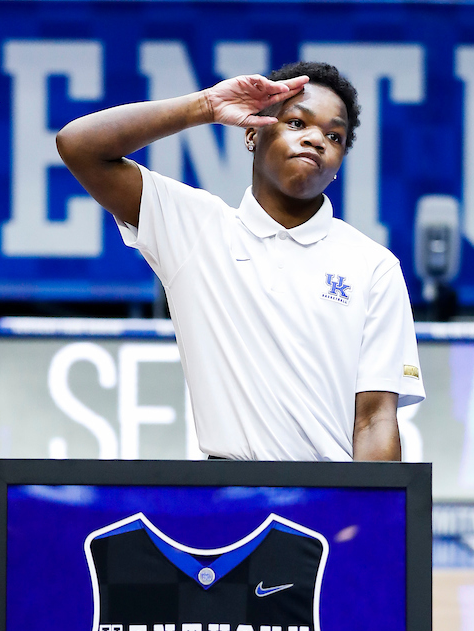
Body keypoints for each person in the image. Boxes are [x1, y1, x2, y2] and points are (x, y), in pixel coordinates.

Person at [57, 61, 424, 461]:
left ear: (338, 164)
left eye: (334, 136)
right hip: (226, 502)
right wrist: (204, 106)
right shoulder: (195, 228)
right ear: (252, 132)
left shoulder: (373, 266)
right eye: (298, 124)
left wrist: (367, 520)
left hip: (329, 504)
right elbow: (79, 146)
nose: (317, 139)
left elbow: (374, 421)